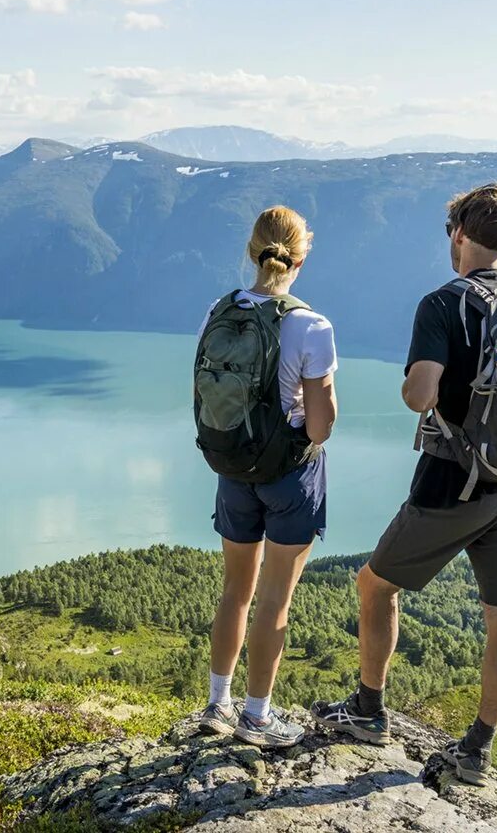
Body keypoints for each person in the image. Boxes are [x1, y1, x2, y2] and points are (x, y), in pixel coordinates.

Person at [312, 182, 497, 784]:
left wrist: (420, 386)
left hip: (454, 483)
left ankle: (369, 711)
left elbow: (419, 393)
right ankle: (476, 749)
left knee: (375, 585)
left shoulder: (443, 304)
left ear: (459, 235)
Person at [193, 206, 337, 749]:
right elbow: (320, 426)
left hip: (231, 468)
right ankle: (257, 716)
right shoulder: (309, 324)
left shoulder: (219, 309)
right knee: (275, 598)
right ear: (301, 256)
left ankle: (217, 704)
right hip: (288, 477)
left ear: (252, 251)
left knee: (235, 591)